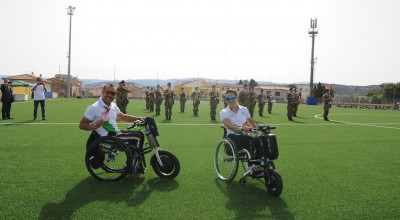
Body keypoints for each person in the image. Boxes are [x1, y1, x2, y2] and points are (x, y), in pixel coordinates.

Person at [79, 84, 145, 149]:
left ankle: (133, 157)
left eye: (112, 93)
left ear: (115, 95)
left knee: (139, 134)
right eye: (107, 92)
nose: (110, 95)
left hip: (115, 134)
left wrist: (139, 118)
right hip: (107, 138)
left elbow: (123, 117)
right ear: (103, 92)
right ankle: (135, 159)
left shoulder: (113, 105)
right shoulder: (94, 107)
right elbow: (82, 124)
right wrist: (94, 127)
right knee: (138, 136)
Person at [220, 89, 264, 176]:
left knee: (260, 140)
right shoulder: (224, 112)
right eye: (228, 98)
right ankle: (253, 165)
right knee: (249, 139)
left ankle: (258, 165)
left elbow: (251, 123)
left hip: (245, 135)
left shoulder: (244, 109)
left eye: (232, 97)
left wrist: (257, 134)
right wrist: (242, 129)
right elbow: (229, 126)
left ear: (237, 98)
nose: (230, 100)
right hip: (232, 136)